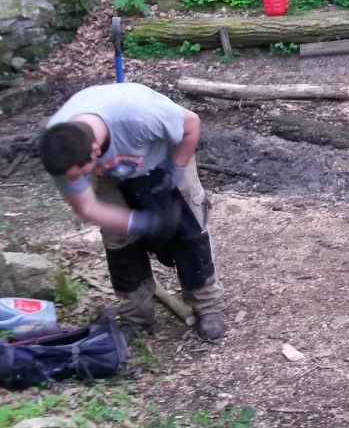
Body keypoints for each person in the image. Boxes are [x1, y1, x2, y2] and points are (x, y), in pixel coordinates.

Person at [38, 82, 226, 341]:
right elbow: (88, 207)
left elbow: (191, 125)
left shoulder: (138, 114)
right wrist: (142, 222)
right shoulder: (59, 150)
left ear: (94, 150)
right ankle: (135, 317)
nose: (76, 181)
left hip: (165, 155)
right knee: (119, 242)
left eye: (81, 174)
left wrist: (175, 172)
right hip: (112, 173)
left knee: (189, 231)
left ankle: (207, 309)